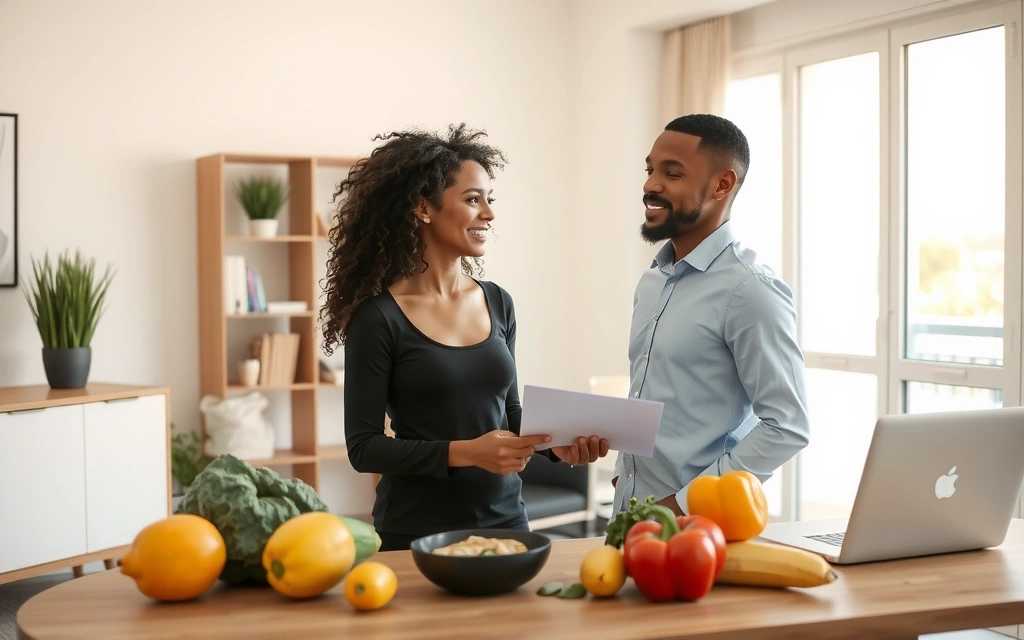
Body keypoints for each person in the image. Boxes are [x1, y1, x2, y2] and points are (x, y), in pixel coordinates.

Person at [320, 124, 609, 551]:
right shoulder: (378, 318)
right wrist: (469, 453)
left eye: (490, 200)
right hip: (416, 533)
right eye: (473, 199)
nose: (488, 213)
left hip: (507, 522)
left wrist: (555, 447)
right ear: (424, 208)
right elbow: (365, 448)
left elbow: (507, 412)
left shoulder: (499, 302)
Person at [612, 113, 810, 517]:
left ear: (722, 184)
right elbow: (653, 396)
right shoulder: (652, 282)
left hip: (697, 529)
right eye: (650, 170)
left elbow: (786, 425)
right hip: (630, 516)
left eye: (672, 173)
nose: (650, 184)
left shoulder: (750, 289)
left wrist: (681, 506)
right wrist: (624, 474)